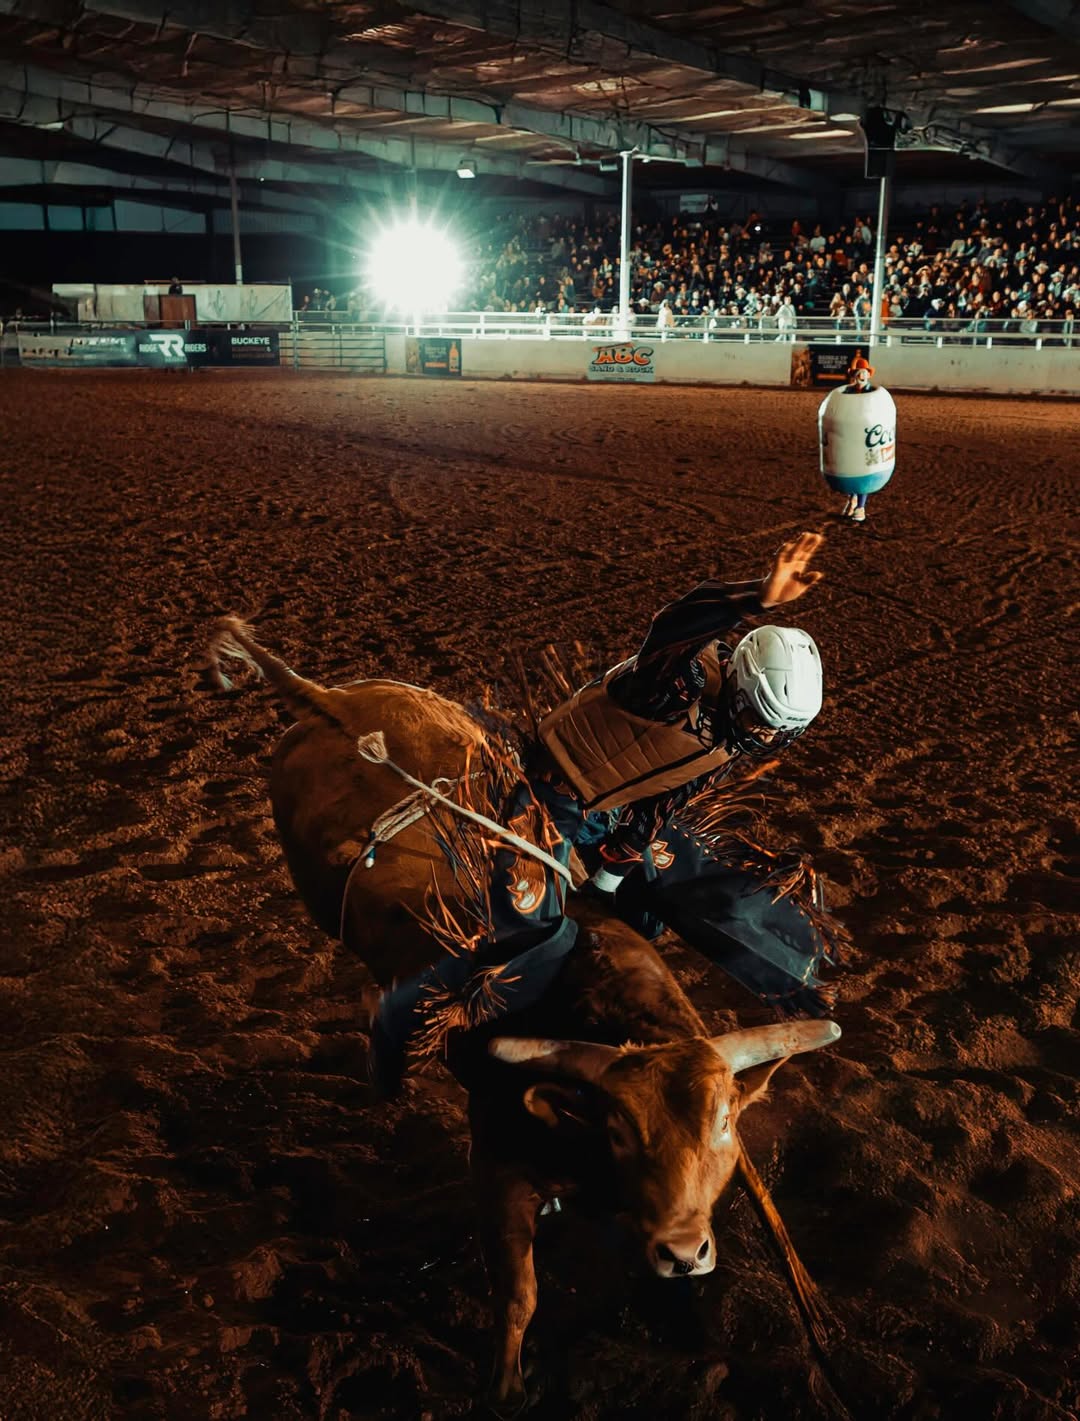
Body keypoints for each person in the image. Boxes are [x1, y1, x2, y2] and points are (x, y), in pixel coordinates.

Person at [368, 532, 826, 1097]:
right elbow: (672, 628)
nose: (762, 737)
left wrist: (611, 875)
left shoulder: (733, 734)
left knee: (654, 911)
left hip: (610, 812)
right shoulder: (668, 688)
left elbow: (667, 797)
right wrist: (754, 596)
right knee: (530, 937)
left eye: (775, 730)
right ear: (736, 688)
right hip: (549, 794)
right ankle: (400, 1013)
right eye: (758, 720)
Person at [839, 355, 876, 522]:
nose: (862, 376)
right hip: (851, 434)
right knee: (850, 467)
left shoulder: (873, 393)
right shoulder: (847, 391)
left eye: (864, 373)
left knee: (863, 471)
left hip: (866, 435)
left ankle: (860, 506)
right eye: (859, 373)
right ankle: (853, 499)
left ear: (868, 375)